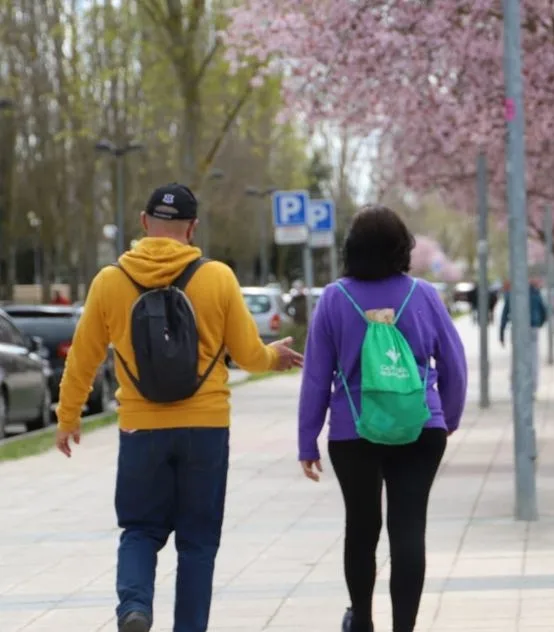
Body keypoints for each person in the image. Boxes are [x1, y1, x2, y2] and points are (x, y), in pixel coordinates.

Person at [54, 183, 303, 632]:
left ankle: (134, 608)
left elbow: (83, 358)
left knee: (139, 530)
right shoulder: (218, 277)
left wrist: (68, 417)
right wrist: (275, 357)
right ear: (192, 228)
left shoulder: (110, 281)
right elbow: (248, 355)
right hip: (205, 428)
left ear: (145, 223)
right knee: (198, 543)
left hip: (139, 429)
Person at [297, 205, 468, 632]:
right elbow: (455, 364)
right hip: (420, 428)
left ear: (352, 248)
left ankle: (363, 623)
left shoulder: (335, 298)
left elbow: (316, 376)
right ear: (402, 249)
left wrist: (307, 439)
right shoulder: (425, 295)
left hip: (353, 433)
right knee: (408, 529)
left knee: (362, 527)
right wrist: (446, 416)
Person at [498, 278, 548, 398]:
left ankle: (515, 388)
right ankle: (532, 389)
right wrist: (538, 323)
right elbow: (544, 311)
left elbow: (505, 314)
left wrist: (501, 333)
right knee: (532, 360)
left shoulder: (511, 294)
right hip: (532, 328)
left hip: (518, 328)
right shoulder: (535, 293)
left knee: (517, 359)